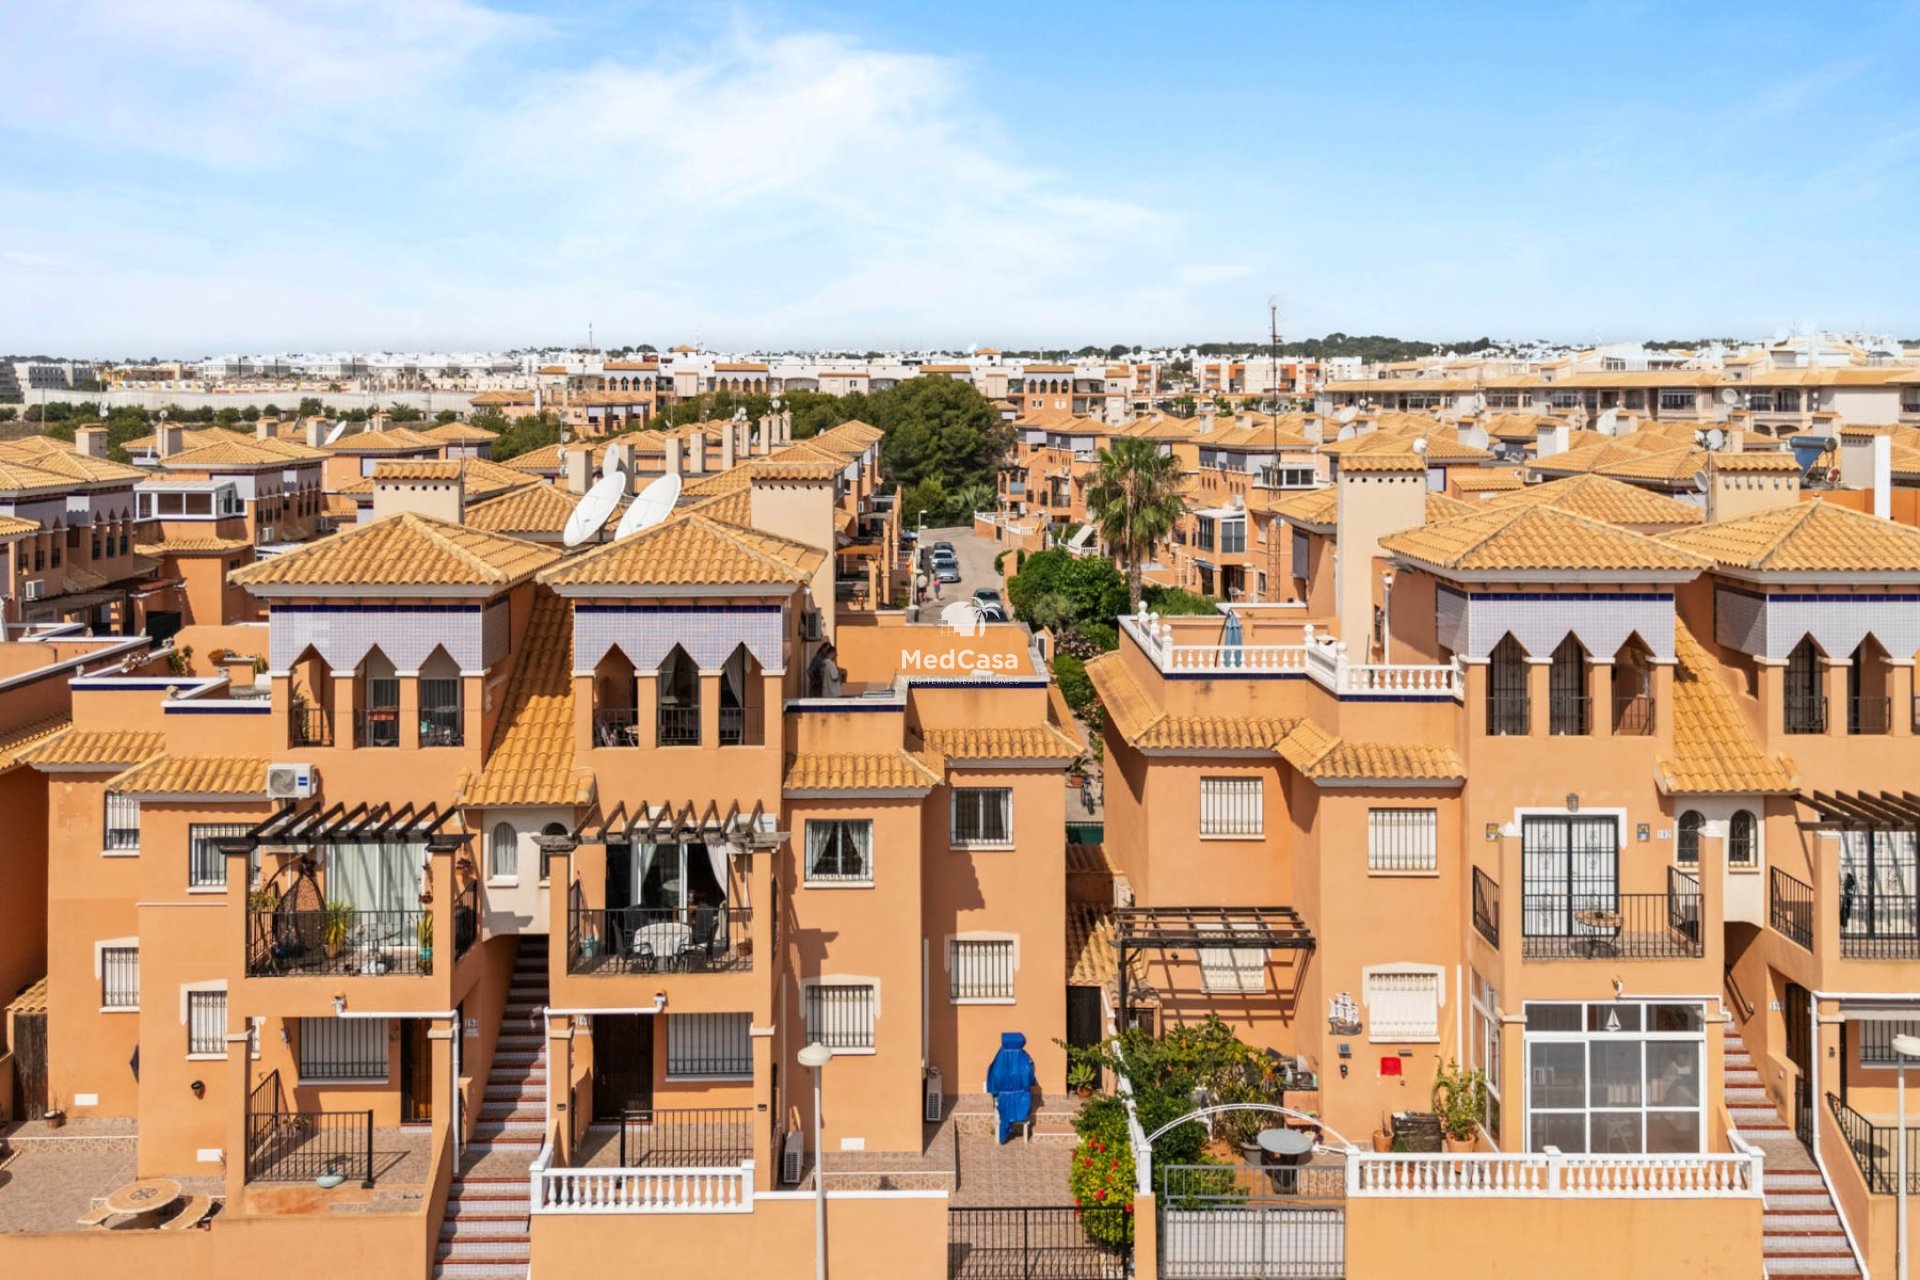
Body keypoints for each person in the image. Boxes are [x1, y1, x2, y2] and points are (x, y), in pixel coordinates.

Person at [985, 1031, 1037, 1144]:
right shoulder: (1024, 1057)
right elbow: (1030, 1075)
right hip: (1021, 1097)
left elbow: (994, 1074)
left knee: (1003, 1112)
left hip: (1003, 1097)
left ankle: (1003, 1134)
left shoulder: (999, 1057)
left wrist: (994, 1091)